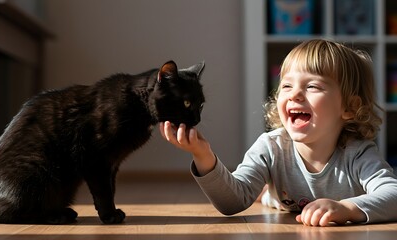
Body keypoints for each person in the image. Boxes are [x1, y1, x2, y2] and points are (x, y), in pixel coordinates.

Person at [159, 39, 397, 227]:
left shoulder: (357, 153)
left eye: (312, 86)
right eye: (286, 85)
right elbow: (233, 201)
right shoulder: (271, 146)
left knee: (269, 193)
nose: (294, 94)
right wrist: (203, 156)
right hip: (282, 201)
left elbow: (393, 194)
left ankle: (267, 191)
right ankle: (267, 193)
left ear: (349, 108)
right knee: (265, 194)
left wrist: (347, 209)